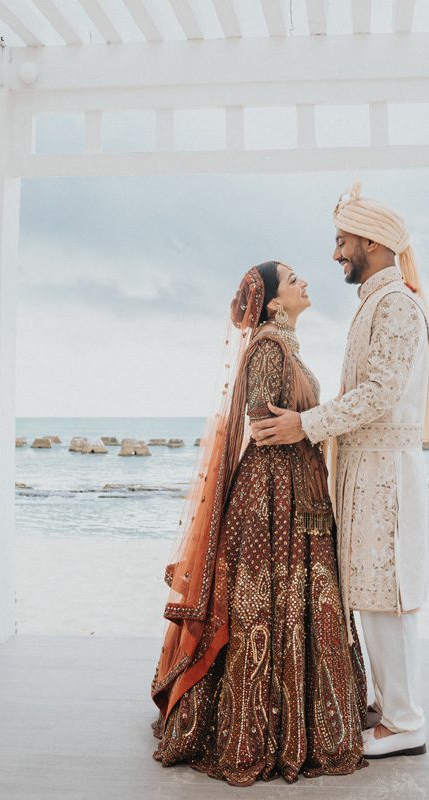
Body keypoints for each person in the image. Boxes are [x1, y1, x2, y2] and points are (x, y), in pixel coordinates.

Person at [150, 261, 368, 786]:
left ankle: (298, 722)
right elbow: (262, 421)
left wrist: (306, 430)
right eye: (293, 279)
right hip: (275, 495)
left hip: (294, 491)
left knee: (289, 605)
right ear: (273, 302)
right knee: (272, 608)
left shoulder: (283, 345)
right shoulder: (270, 348)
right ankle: (267, 730)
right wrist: (299, 433)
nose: (304, 283)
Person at [252, 184, 429, 760]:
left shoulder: (396, 305)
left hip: (385, 470)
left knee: (390, 595)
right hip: (364, 470)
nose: (336, 254)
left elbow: (382, 392)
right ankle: (391, 712)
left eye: (341, 241)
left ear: (371, 241)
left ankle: (406, 722)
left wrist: (306, 424)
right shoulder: (376, 302)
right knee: (373, 593)